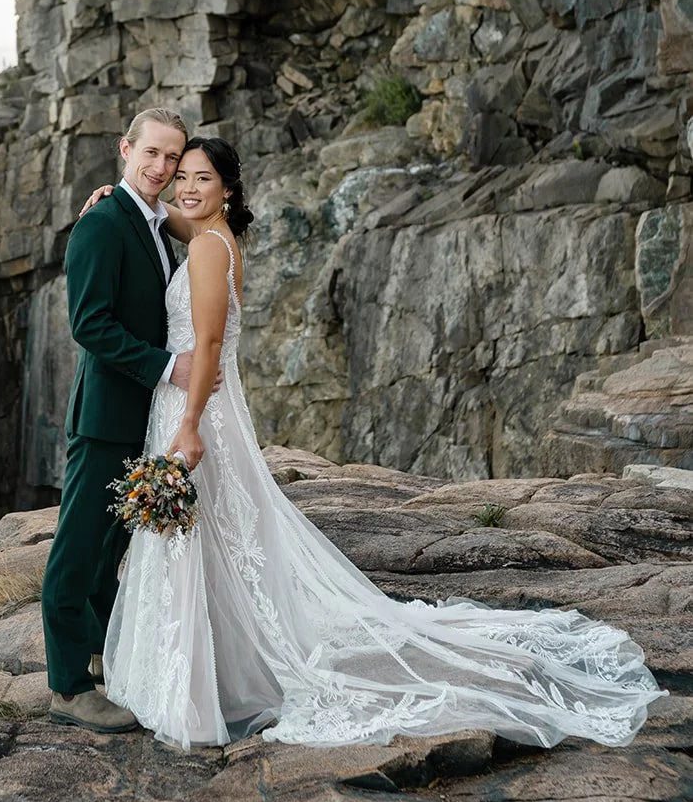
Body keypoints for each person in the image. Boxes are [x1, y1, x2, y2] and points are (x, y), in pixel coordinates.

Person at [89, 135, 664, 752]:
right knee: (222, 538)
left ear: (227, 189)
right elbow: (172, 218)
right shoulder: (219, 237)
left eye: (203, 178)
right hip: (216, 408)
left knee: (204, 538)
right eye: (182, 176)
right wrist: (126, 202)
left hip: (197, 407)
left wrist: (189, 425)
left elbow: (205, 348)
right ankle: (223, 669)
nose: (186, 187)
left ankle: (201, 683)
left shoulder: (205, 249)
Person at [41, 106, 194, 733]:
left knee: (112, 549)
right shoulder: (102, 223)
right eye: (150, 154)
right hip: (106, 416)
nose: (161, 168)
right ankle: (68, 687)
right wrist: (167, 367)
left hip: (145, 417)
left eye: (172, 159)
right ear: (125, 150)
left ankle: (104, 656)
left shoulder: (157, 225)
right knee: (76, 554)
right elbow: (90, 326)